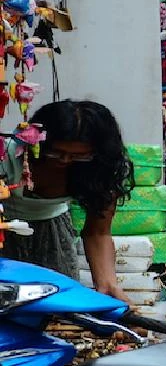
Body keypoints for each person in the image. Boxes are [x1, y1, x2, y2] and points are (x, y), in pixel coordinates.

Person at [0, 100, 135, 299]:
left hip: (53, 235)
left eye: (78, 156)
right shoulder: (7, 157)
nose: (64, 161)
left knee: (57, 305)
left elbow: (97, 233)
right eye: (56, 152)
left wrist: (108, 286)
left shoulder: (100, 170)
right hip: (3, 234)